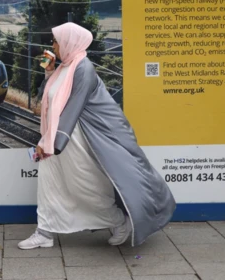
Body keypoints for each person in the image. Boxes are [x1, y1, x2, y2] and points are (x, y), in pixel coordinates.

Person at [18, 22, 176, 250]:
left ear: (69, 42)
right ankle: (44, 232)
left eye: (56, 41)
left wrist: (51, 143)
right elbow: (46, 97)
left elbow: (72, 108)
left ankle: (118, 222)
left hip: (75, 139)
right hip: (59, 138)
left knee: (85, 187)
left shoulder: (83, 68)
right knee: (49, 182)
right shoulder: (65, 66)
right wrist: (49, 70)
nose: (53, 45)